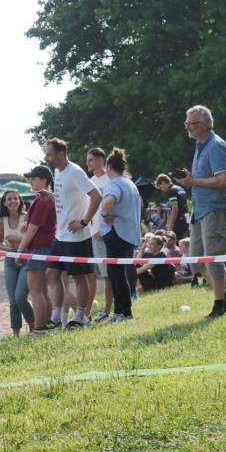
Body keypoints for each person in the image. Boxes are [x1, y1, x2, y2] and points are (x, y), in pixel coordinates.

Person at [171, 105, 226, 319]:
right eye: (186, 123)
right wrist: (189, 180)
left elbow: (223, 180)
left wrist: (193, 181)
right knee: (195, 261)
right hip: (200, 210)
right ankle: (223, 298)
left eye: (192, 123)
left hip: (216, 208)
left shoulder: (216, 146)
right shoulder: (200, 146)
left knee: (212, 257)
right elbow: (203, 181)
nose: (187, 126)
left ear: (206, 125)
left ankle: (219, 305)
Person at [43, 138, 102, 329]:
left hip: (76, 236)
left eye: (49, 154)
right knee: (52, 273)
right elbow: (69, 197)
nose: (46, 157)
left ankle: (80, 317)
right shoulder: (57, 171)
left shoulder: (75, 172)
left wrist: (84, 222)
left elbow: (96, 196)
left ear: (61, 154)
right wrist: (50, 196)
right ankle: (56, 318)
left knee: (78, 277)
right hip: (61, 235)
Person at [99, 148, 142, 321]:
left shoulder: (114, 184)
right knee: (118, 273)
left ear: (109, 167)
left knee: (116, 274)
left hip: (116, 233)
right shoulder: (130, 184)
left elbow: (109, 200)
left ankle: (124, 312)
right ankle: (120, 311)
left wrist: (104, 214)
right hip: (129, 235)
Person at [18, 166, 58, 332]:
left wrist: (20, 250)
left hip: (40, 248)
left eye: (34, 178)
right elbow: (34, 226)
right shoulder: (46, 199)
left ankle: (40, 326)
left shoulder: (42, 200)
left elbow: (34, 228)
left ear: (44, 179)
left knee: (35, 290)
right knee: (42, 290)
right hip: (46, 247)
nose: (31, 181)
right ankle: (46, 323)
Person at [0, 190, 33, 336]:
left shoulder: (27, 217)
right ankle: (16, 333)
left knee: (20, 297)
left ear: (20, 201)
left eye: (15, 198)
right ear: (4, 203)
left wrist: (16, 240)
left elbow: (32, 239)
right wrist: (8, 247)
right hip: (10, 260)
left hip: (26, 259)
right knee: (12, 300)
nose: (12, 201)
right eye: (9, 199)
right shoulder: (0, 220)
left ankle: (32, 324)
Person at [84, 148, 112, 321]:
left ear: (101, 160)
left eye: (91, 160)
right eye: (88, 160)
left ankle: (107, 311)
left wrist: (102, 228)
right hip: (91, 234)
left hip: (105, 234)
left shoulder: (111, 180)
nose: (88, 163)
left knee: (108, 275)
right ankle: (86, 313)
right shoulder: (90, 181)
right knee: (91, 276)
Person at [154, 173, 190, 241]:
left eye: (160, 187)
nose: (161, 189)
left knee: (177, 242)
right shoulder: (179, 188)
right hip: (186, 218)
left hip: (179, 220)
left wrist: (170, 224)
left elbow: (175, 209)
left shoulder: (171, 191)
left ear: (163, 182)